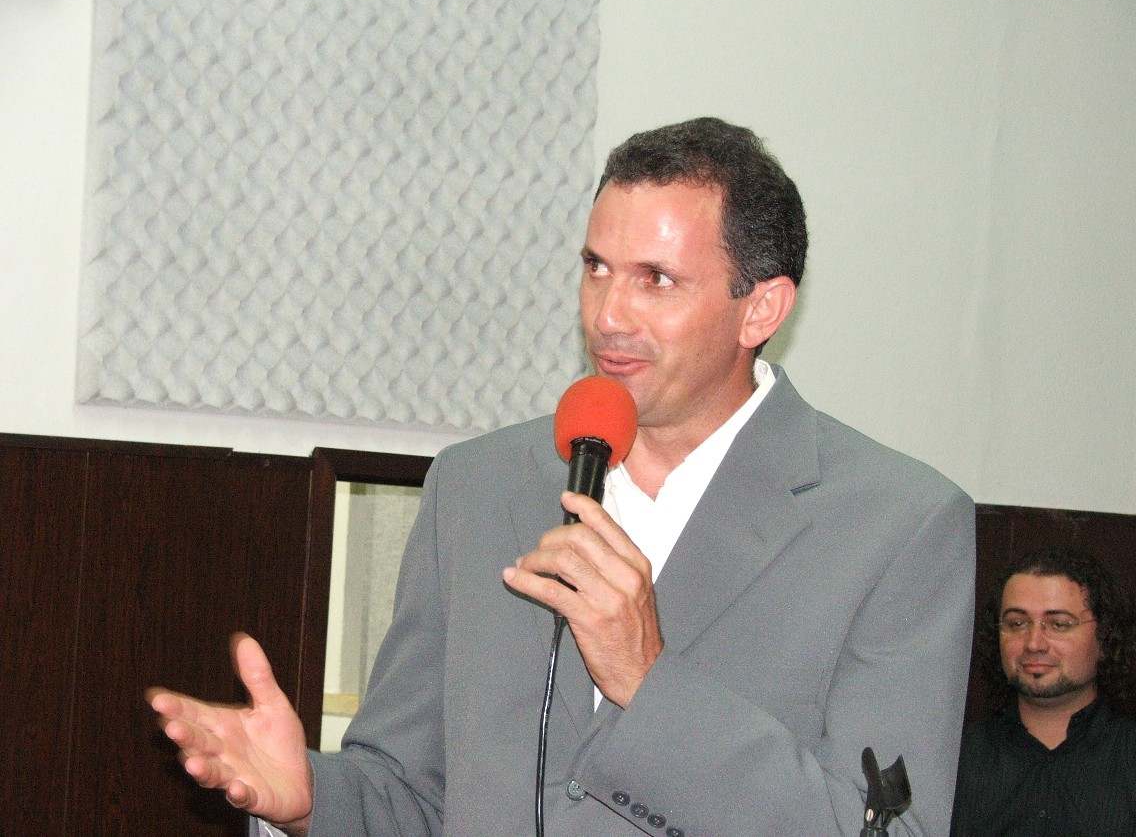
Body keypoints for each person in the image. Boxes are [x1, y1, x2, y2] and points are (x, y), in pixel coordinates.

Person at [148, 116, 976, 836]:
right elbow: (413, 794)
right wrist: (310, 800)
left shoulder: (896, 525)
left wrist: (649, 685)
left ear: (760, 308)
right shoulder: (477, 486)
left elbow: (885, 831)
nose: (607, 314)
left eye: (656, 280)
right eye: (596, 266)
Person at [950, 547, 1136, 835]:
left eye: (1059, 624)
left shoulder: (1127, 755)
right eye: (1016, 624)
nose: (1034, 643)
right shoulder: (955, 758)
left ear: (1105, 637)